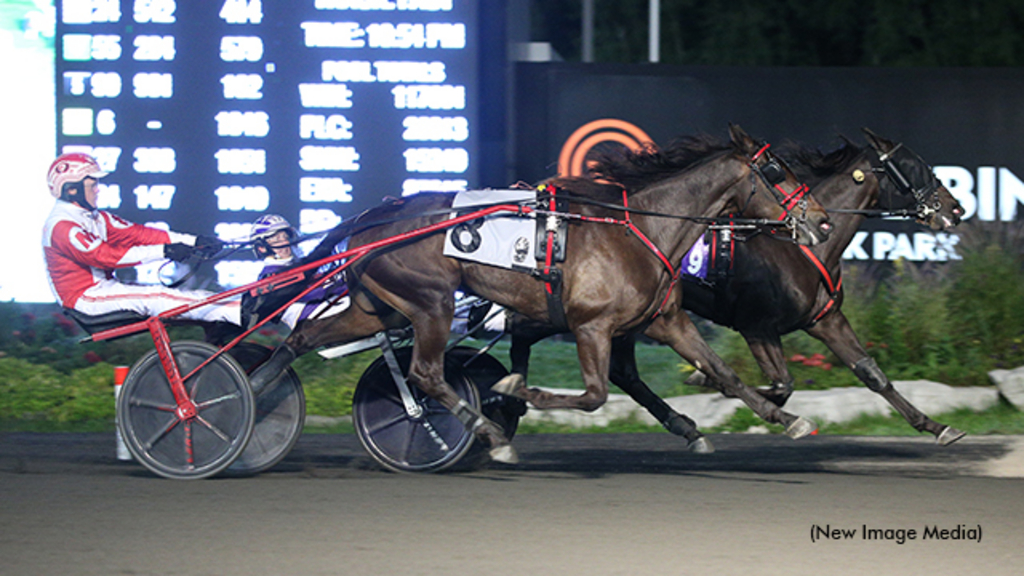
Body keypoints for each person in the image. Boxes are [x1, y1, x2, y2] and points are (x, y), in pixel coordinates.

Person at [42, 152, 240, 325]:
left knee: (172, 295)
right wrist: (165, 251)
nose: (98, 189)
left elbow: (140, 234)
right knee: (161, 297)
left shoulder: (96, 217)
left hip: (103, 290)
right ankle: (239, 313)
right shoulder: (62, 227)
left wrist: (194, 241)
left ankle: (237, 309)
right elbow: (106, 256)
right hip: (85, 299)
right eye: (93, 184)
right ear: (71, 189)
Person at [250, 214, 350, 329]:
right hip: (306, 315)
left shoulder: (293, 266)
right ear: (262, 248)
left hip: (318, 306)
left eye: (285, 237)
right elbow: (309, 294)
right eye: (277, 239)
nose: (284, 243)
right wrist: (344, 285)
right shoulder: (269, 275)